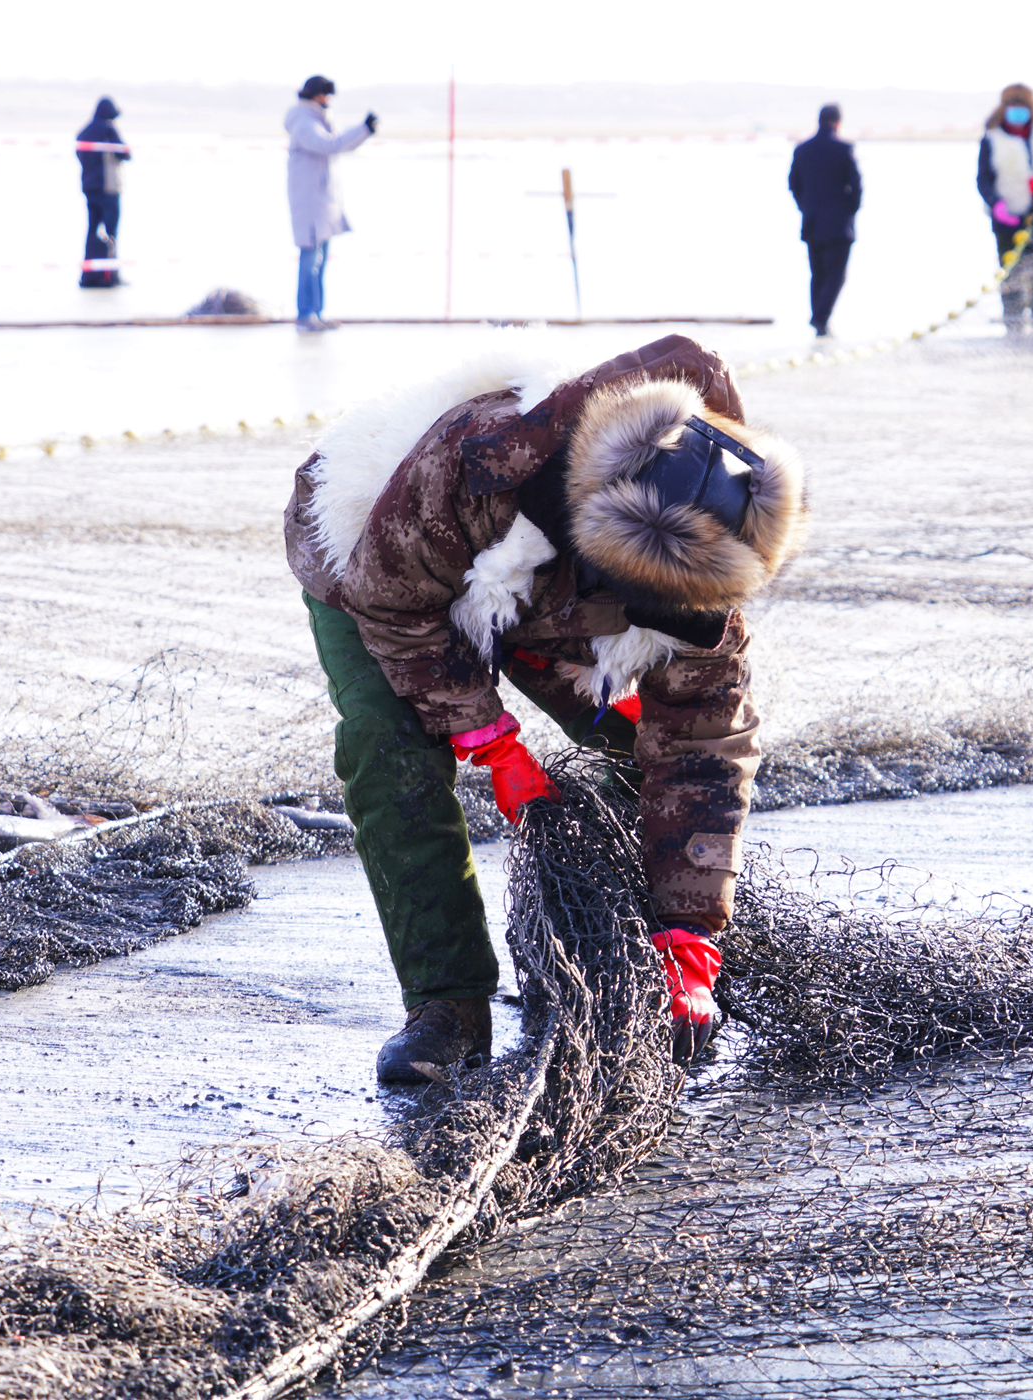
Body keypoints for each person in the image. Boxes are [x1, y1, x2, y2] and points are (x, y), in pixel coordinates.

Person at [283, 336, 807, 1082]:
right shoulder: (474, 464)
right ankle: (447, 1006)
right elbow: (392, 608)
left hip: (554, 605)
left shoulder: (707, 560)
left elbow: (703, 751)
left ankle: (659, 952)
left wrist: (691, 939)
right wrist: (491, 741)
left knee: (646, 752)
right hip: (379, 566)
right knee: (389, 746)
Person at [285, 76, 377, 332]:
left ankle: (316, 313)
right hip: (310, 203)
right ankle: (306, 315)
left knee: (320, 258)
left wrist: (363, 131)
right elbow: (330, 145)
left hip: (321, 203)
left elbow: (335, 144)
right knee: (310, 257)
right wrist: (363, 129)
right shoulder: (304, 122)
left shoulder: (315, 119)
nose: (329, 101)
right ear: (317, 95)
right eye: (327, 95)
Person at [976, 84, 1033, 327]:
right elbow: (983, 179)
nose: (1017, 112)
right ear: (1004, 108)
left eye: (1022, 107)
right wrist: (996, 205)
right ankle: (1013, 325)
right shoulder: (991, 138)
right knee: (1011, 276)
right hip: (1009, 219)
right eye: (1013, 107)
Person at [787, 104, 864, 338]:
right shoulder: (844, 148)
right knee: (837, 274)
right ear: (838, 122)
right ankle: (820, 318)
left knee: (818, 272)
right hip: (839, 222)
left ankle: (819, 320)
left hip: (811, 220)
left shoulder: (802, 150)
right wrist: (850, 209)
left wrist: (805, 207)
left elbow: (793, 184)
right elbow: (857, 186)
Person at [76, 97, 130, 289]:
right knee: (111, 233)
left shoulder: (83, 133)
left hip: (89, 188)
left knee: (91, 231)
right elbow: (126, 153)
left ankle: (88, 275)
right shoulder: (108, 129)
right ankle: (110, 276)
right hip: (109, 188)